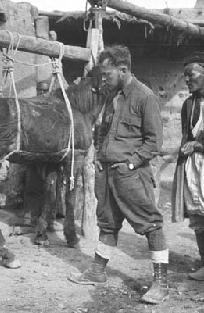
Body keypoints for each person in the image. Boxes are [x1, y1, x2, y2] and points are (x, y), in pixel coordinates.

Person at [68, 45, 167, 304]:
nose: (103, 80)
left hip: (131, 175)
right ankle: (97, 272)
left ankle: (161, 283)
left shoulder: (144, 97)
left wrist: (132, 164)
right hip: (108, 172)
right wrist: (100, 157)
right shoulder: (112, 97)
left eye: (107, 74)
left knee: (150, 223)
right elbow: (102, 131)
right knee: (108, 223)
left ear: (123, 70)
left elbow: (154, 142)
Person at [173, 52, 204, 281]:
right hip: (195, 166)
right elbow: (186, 135)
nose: (186, 80)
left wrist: (198, 144)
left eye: (190, 74)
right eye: (185, 76)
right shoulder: (188, 104)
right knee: (198, 215)